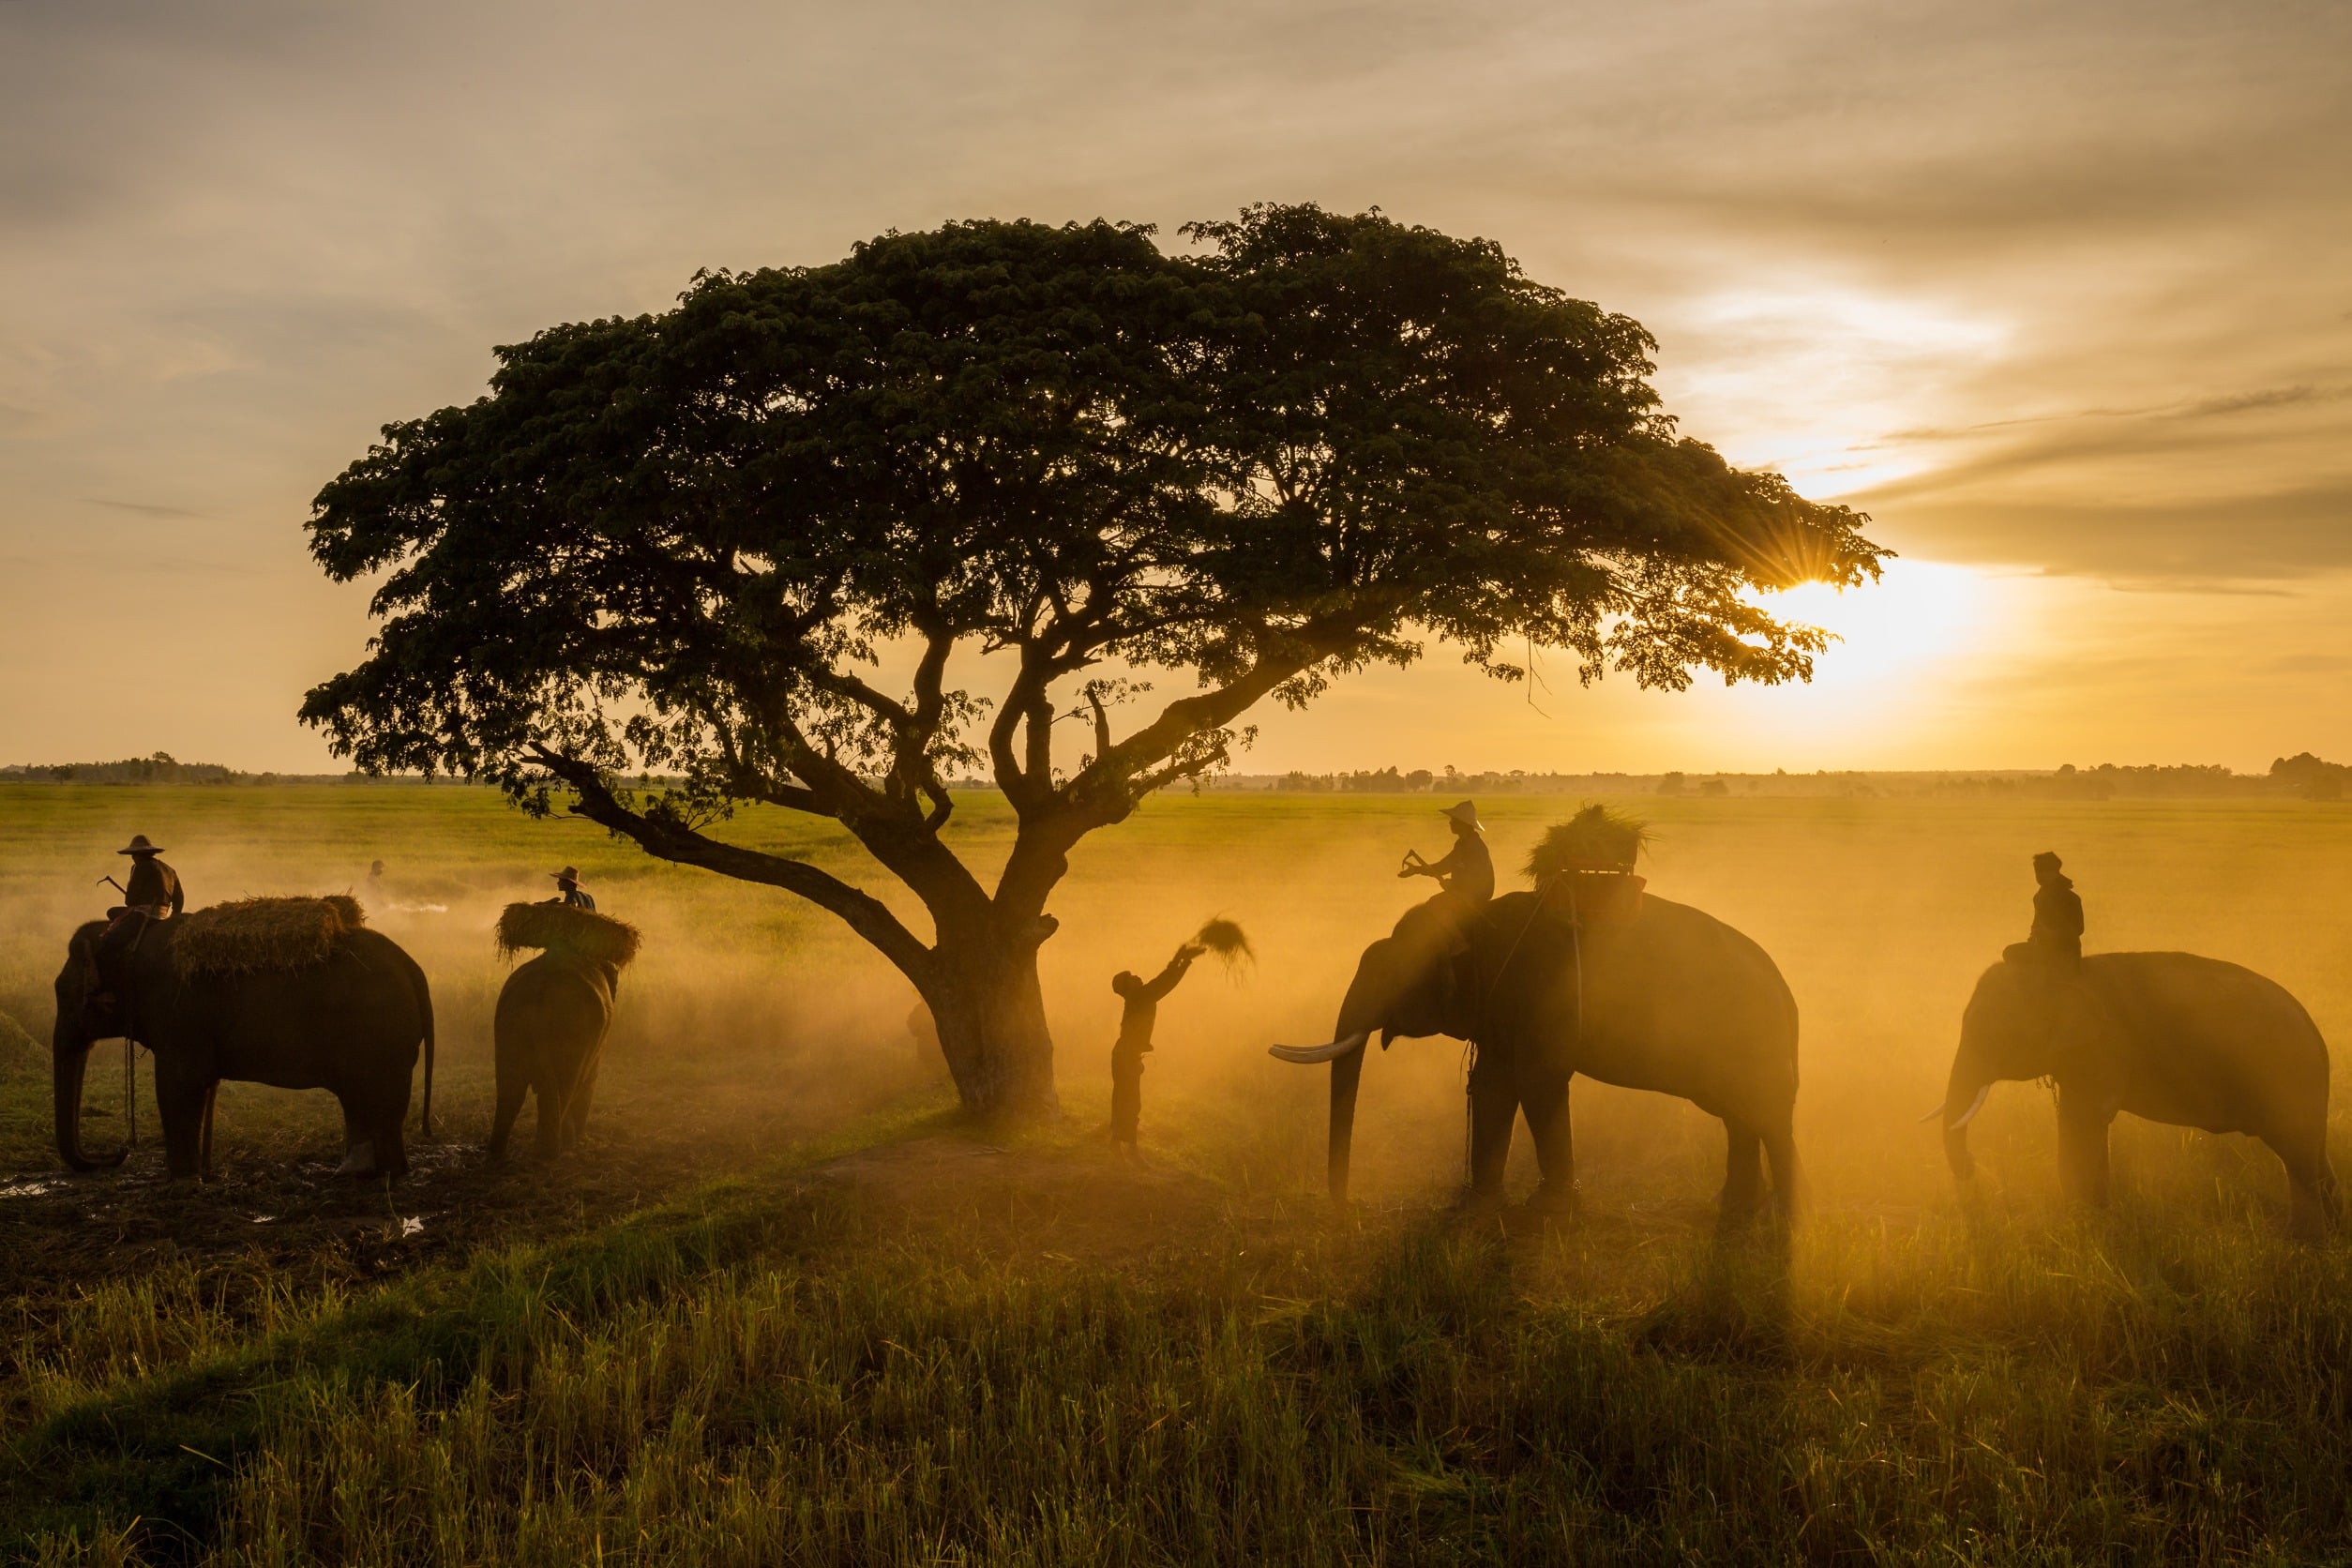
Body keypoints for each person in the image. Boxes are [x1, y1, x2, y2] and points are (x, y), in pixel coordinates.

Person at [1109, 939, 1206, 1156]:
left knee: (1124, 1099)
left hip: (1125, 1054)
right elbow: (1165, 983)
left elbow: (1163, 982)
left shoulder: (1139, 996)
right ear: (1127, 988)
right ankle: (1128, 1148)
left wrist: (1181, 961)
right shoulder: (1141, 996)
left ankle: (1119, 1143)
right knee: (1130, 1101)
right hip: (1126, 1055)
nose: (1137, 977)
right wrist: (1180, 961)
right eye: (1131, 978)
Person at [1397, 800, 1495, 904]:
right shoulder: (1462, 844)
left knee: (1435, 904)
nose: (1450, 822)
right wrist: (1416, 870)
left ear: (1463, 824)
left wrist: (1455, 884)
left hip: (1476, 894)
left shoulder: (1475, 846)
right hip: (1464, 891)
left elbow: (1477, 876)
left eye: (1453, 820)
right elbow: (1443, 866)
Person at [2005, 850, 2083, 968]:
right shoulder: (2039, 896)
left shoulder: (2070, 897)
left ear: (2056, 872)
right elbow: (2036, 923)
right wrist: (2034, 936)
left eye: (2046, 871)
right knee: (2010, 952)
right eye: (2038, 871)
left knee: (2038, 968)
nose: (2041, 875)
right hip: (2042, 948)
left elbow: (2079, 928)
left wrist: (2051, 935)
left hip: (2064, 950)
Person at [115, 834, 184, 917]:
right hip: (163, 914)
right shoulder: (170, 870)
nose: (132, 858)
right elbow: (179, 899)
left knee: (111, 912)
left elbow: (130, 900)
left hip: (143, 914)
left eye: (133, 854)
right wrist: (173, 917)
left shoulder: (140, 867)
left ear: (139, 854)